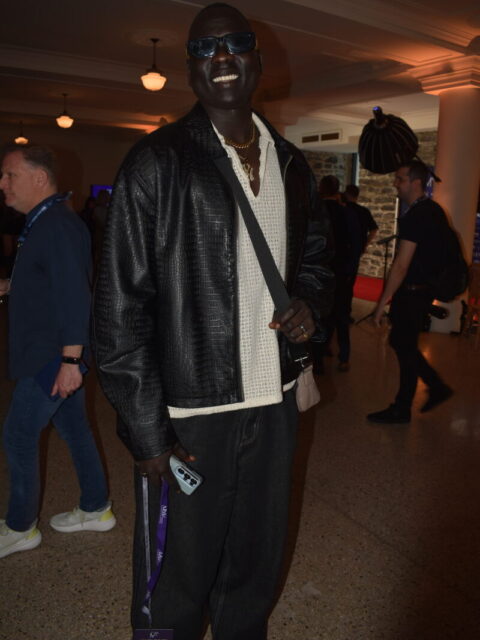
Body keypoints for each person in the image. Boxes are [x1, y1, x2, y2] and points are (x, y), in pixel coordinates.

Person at [93, 3, 333, 639]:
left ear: (258, 59)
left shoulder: (291, 163)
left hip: (275, 401)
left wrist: (311, 304)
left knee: (254, 566)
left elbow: (316, 261)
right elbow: (119, 310)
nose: (221, 57)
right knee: (178, 573)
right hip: (191, 410)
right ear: (190, 69)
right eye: (204, 48)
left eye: (235, 44)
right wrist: (147, 432)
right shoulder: (157, 162)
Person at [0, 144, 115, 560]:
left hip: (50, 356)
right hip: (50, 351)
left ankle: (20, 528)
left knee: (18, 435)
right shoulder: (45, 221)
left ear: (39, 178)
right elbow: (50, 280)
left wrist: (70, 361)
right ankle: (96, 508)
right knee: (76, 429)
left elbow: (74, 296)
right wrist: (12, 286)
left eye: (10, 175)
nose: (2, 184)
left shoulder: (58, 225)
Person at [367, 160, 453, 424]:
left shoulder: (416, 215)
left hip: (412, 293)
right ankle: (420, 395)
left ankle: (412, 401)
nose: (395, 183)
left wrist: (381, 304)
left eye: (400, 179)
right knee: (403, 344)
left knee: (403, 345)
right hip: (423, 291)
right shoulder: (434, 211)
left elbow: (401, 265)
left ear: (416, 182)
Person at [316, 174, 359, 372]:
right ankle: (344, 357)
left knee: (320, 315)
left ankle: (318, 359)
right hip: (340, 272)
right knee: (341, 316)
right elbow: (355, 245)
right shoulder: (347, 213)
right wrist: (350, 271)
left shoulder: (315, 212)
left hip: (320, 272)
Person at [344, 184, 378, 252]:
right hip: (357, 247)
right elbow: (374, 229)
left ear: (346, 194)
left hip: (342, 247)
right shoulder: (364, 211)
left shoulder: (342, 209)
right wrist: (365, 244)